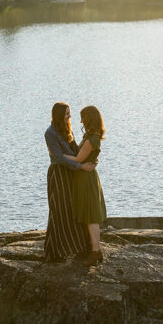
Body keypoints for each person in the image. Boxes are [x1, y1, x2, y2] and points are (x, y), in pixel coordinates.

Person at [44, 102, 94, 263]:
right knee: (60, 210)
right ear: (59, 115)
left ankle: (78, 247)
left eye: (69, 113)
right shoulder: (50, 133)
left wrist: (90, 156)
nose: (70, 116)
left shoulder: (67, 129)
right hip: (59, 174)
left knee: (74, 209)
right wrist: (80, 166)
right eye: (67, 113)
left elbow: (74, 150)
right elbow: (58, 158)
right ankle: (55, 252)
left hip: (71, 173)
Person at [66, 105, 108, 266]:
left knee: (91, 216)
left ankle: (95, 251)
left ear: (89, 119)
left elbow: (78, 159)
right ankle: (92, 248)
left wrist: (58, 155)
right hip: (84, 177)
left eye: (83, 117)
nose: (81, 121)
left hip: (86, 178)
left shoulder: (91, 140)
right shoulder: (92, 136)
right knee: (87, 214)